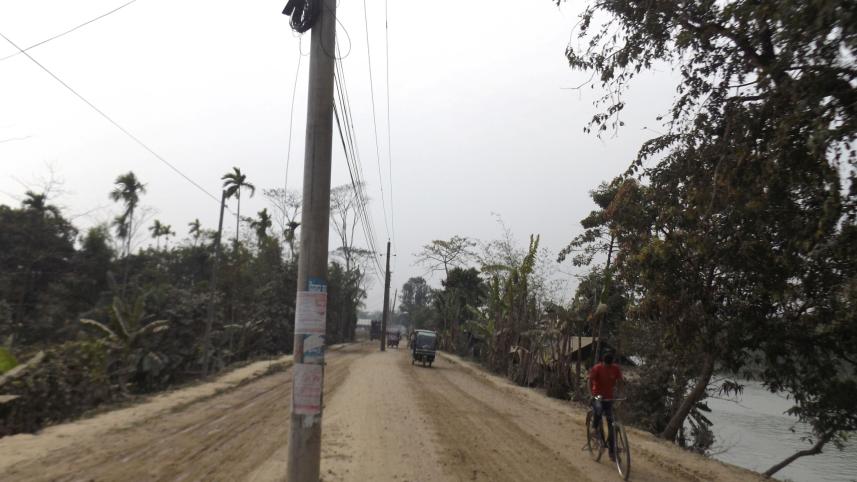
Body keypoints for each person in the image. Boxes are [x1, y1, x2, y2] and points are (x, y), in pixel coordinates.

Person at [589, 350, 623, 460]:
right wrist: (591, 395)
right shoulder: (597, 368)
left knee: (612, 425)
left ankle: (612, 452)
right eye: (607, 364)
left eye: (610, 364)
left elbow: (620, 382)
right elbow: (589, 381)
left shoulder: (615, 368)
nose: (608, 366)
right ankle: (594, 428)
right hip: (598, 396)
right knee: (598, 409)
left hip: (609, 398)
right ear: (603, 362)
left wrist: (620, 395)